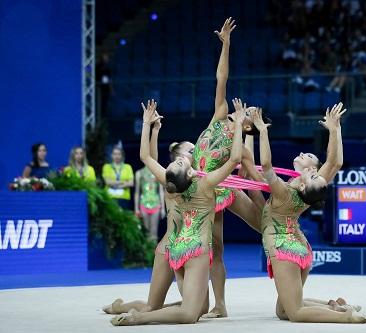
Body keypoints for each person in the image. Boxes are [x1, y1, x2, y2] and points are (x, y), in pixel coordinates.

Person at [110, 98, 245, 325]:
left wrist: (148, 127)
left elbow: (146, 158)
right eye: (180, 161)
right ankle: (138, 318)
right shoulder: (205, 184)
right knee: (190, 313)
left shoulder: (169, 185)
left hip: (172, 246)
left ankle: (123, 308)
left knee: (171, 306)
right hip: (193, 249)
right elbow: (235, 158)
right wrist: (239, 124)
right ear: (191, 173)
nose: (182, 159)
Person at [254, 104, 366, 323]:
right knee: (283, 310)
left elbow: (266, 166)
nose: (311, 169)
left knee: (294, 313)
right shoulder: (313, 186)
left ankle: (347, 317)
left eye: (310, 162)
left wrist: (261, 131)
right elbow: (335, 162)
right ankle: (336, 307)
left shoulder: (288, 190)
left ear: (310, 173)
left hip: (284, 246)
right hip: (296, 243)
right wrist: (334, 129)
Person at [192, 18, 269, 318]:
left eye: (252, 112)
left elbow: (255, 176)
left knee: (264, 227)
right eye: (249, 107)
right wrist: (226, 44)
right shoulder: (219, 116)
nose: (248, 107)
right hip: (201, 186)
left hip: (220, 187)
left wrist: (268, 207)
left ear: (249, 124)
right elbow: (221, 78)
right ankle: (219, 305)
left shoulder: (243, 140)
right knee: (215, 248)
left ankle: (281, 239)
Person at [103, 117, 194, 315]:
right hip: (170, 247)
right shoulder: (173, 181)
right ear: (178, 159)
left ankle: (164, 307)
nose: (196, 152)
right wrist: (153, 130)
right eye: (191, 151)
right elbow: (149, 158)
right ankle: (120, 307)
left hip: (191, 247)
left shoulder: (199, 179)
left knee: (200, 307)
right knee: (151, 307)